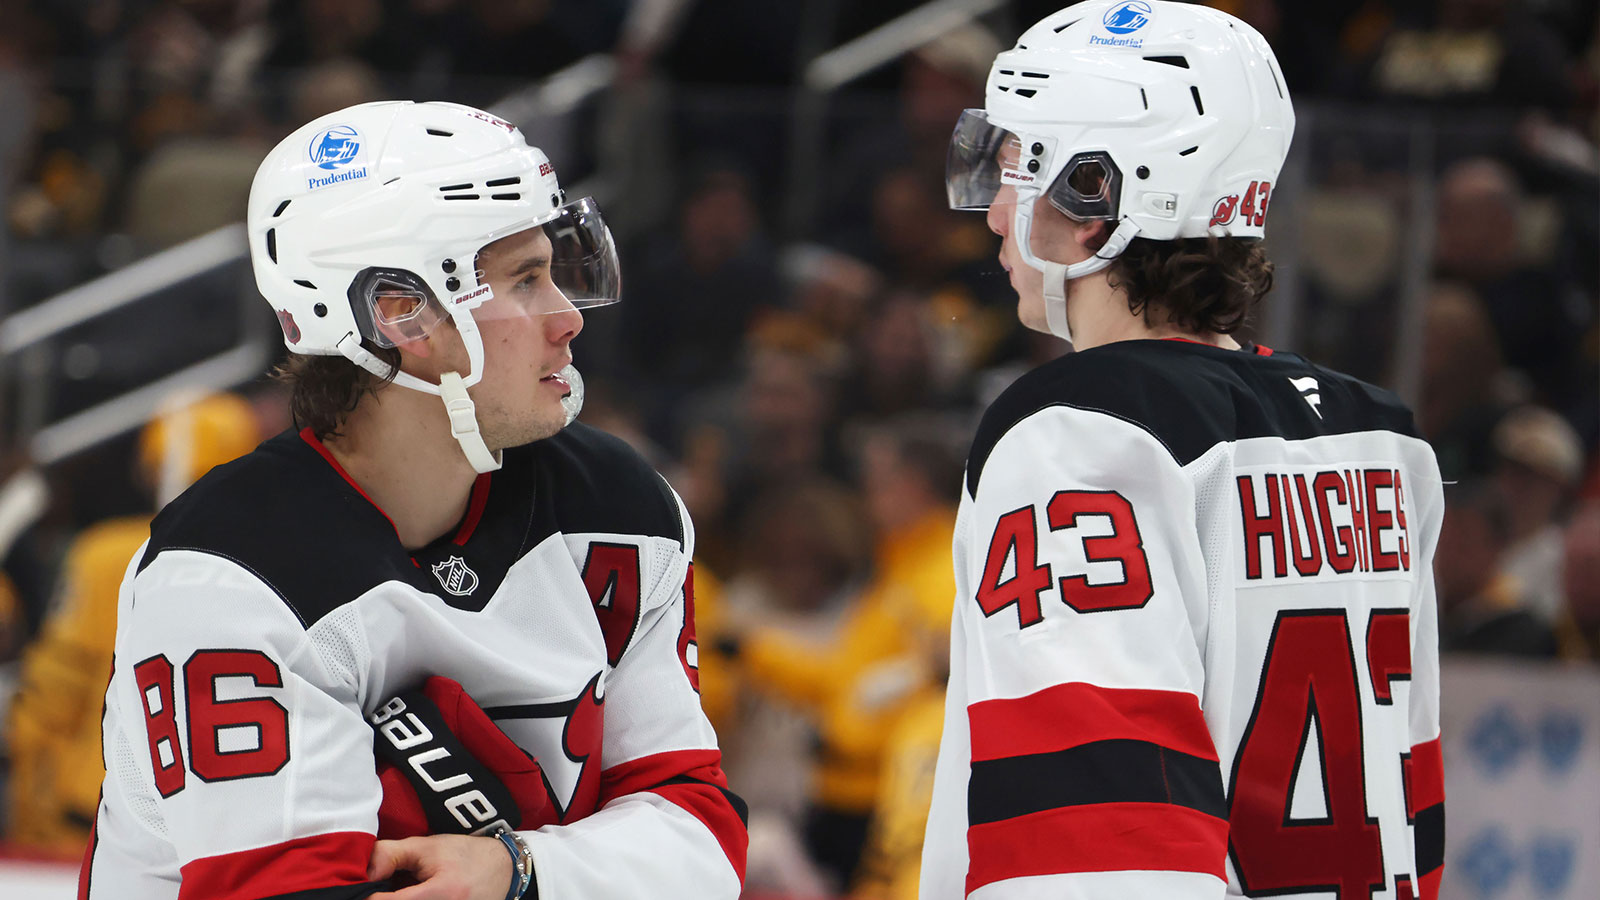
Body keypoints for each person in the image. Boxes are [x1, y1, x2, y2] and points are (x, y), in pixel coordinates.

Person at [84, 101, 746, 900]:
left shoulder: (621, 511)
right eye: (525, 282)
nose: (567, 319)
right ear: (402, 314)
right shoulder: (229, 577)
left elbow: (701, 836)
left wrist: (519, 870)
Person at [923, 3, 1446, 899]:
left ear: (1093, 195)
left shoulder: (1077, 431)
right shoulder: (1380, 433)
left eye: (1016, 168)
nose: (995, 215)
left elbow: (1098, 852)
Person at [7, 393, 261, 856]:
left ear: (150, 462)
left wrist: (31, 810)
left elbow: (54, 692)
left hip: (95, 809)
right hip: (225, 822)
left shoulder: (106, 555)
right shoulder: (274, 564)